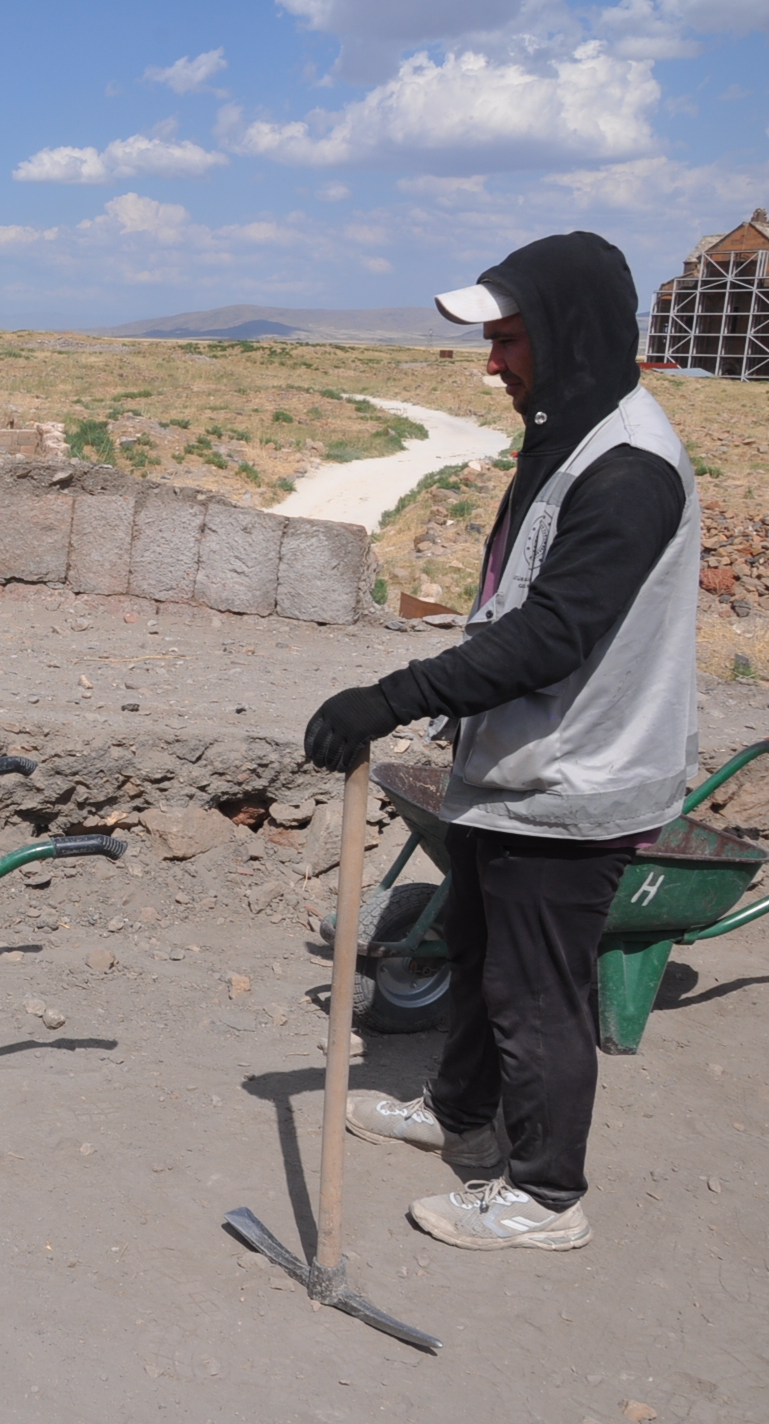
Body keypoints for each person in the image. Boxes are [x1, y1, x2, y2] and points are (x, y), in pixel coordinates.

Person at [305, 231, 697, 1252]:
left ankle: (544, 1197)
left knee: (535, 995)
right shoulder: (569, 432)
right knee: (481, 956)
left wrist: (389, 694)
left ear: (568, 335)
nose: (491, 364)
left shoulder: (626, 469)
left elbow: (550, 634)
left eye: (509, 338)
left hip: (571, 777)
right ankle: (457, 1109)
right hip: (517, 765)